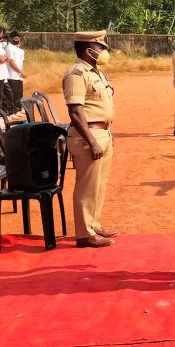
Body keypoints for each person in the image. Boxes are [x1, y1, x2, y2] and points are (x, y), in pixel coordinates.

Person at [63, 31, 117, 248]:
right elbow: (75, 112)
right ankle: (84, 234)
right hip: (89, 136)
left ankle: (93, 224)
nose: (104, 52)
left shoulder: (96, 72)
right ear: (89, 50)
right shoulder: (76, 74)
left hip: (102, 133)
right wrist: (92, 141)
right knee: (86, 187)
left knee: (98, 185)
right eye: (101, 47)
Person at [5, 31, 26, 113]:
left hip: (18, 76)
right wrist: (21, 72)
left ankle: (18, 109)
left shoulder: (16, 49)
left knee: (19, 94)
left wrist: (21, 73)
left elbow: (20, 62)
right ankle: (13, 111)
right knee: (13, 95)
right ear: (11, 38)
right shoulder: (9, 48)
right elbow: (11, 62)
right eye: (15, 38)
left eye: (18, 38)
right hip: (12, 75)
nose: (17, 40)